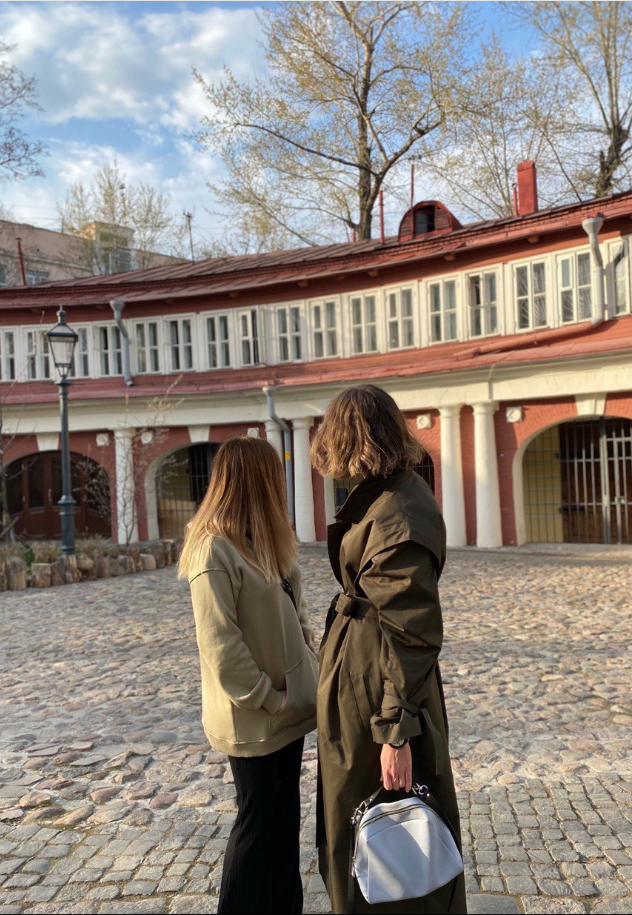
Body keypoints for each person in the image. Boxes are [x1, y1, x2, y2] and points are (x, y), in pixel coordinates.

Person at [311, 385, 467, 915]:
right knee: (359, 824)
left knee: (386, 827)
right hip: (364, 680)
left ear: (351, 437)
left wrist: (395, 731)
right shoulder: (386, 496)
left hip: (378, 690)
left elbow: (412, 633)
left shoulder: (399, 511)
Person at [179, 436, 318, 915]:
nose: (280, 484)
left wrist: (307, 665)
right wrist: (266, 696)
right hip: (253, 713)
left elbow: (297, 610)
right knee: (256, 821)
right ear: (254, 480)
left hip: (291, 706)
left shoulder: (270, 537)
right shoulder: (212, 548)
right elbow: (219, 640)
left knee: (285, 820)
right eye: (273, 476)